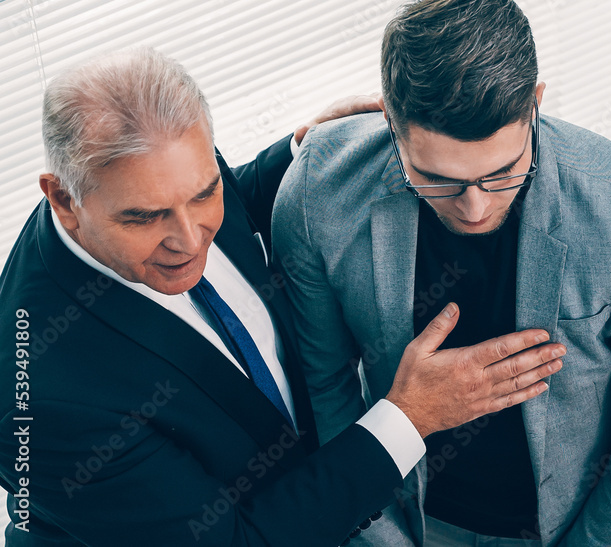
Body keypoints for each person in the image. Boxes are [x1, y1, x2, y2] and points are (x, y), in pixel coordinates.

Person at [0, 46, 565, 546]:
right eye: (145, 218)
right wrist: (410, 417)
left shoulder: (152, 171)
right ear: (64, 200)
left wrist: (300, 156)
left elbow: (225, 196)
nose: (193, 238)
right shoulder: (38, 405)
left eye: (204, 194)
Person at [272, 0, 611, 545]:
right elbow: (323, 391)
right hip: (404, 520)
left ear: (536, 104)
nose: (474, 207)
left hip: (571, 529)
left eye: (501, 172)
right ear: (390, 122)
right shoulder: (317, 191)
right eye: (437, 178)